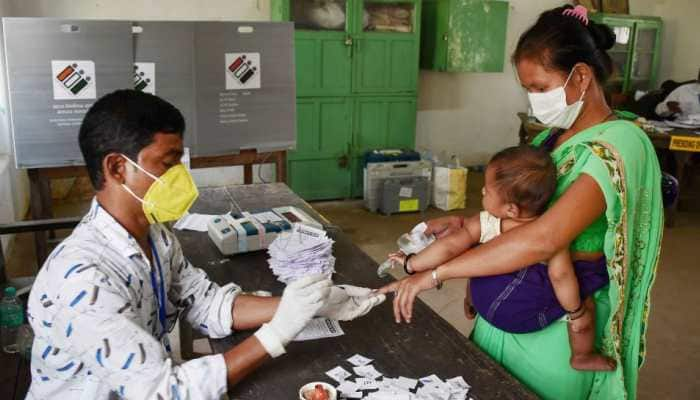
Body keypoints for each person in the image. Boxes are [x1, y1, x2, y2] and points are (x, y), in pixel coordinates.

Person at [379, 5, 663, 400]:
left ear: (580, 77)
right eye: (527, 90)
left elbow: (542, 239)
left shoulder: (619, 144)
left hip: (553, 323)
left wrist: (435, 274)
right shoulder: (552, 138)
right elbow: (519, 210)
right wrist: (469, 225)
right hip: (502, 299)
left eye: (540, 88)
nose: (534, 102)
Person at [26, 90, 385, 400]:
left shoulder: (156, 237)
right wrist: (275, 335)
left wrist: (311, 305)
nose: (180, 177)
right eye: (167, 164)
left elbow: (207, 303)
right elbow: (166, 392)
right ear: (118, 168)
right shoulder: (84, 280)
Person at [388, 145, 615, 371]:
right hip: (519, 317)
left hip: (484, 301)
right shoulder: (553, 237)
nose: (482, 193)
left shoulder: (486, 222)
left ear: (511, 210)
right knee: (585, 304)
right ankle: (581, 356)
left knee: (480, 254)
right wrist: (576, 313)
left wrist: (412, 263)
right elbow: (561, 276)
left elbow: (448, 248)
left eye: (487, 191)